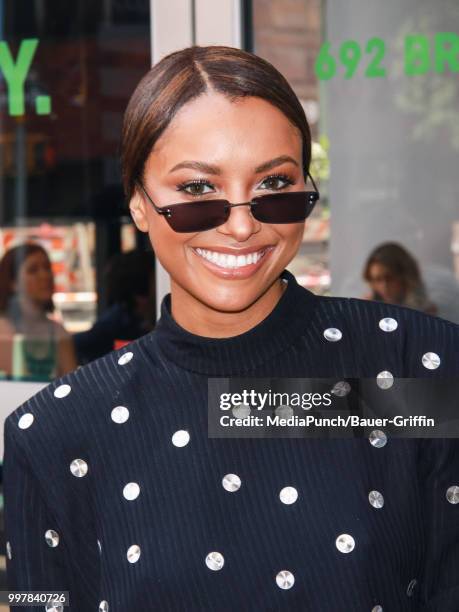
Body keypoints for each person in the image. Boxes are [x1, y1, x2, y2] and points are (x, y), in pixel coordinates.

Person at [3, 45, 459, 612]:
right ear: (139, 204)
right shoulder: (53, 430)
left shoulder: (418, 365)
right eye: (197, 191)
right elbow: (34, 600)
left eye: (273, 185)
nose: (242, 226)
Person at [0, 243, 77, 381]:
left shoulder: (58, 332)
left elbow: (71, 385)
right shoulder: (3, 330)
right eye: (33, 270)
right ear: (12, 283)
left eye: (47, 268)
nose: (44, 275)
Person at [73, 249, 156, 365]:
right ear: (140, 292)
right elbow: (76, 345)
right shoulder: (116, 325)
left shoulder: (145, 322)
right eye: (154, 282)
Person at [362, 242, 437, 316]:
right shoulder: (366, 310)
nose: (384, 286)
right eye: (378, 279)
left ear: (405, 276)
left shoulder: (427, 315)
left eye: (389, 278)